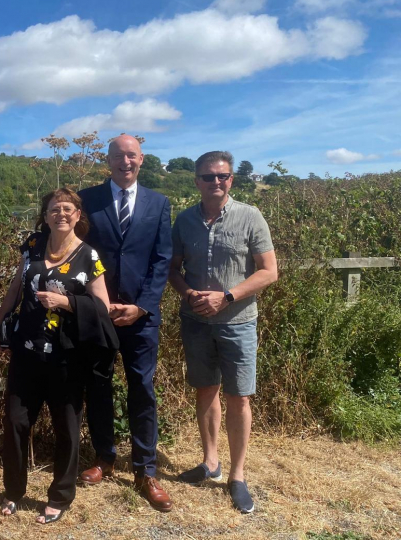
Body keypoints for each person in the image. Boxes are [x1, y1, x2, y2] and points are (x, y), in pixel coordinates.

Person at [0, 188, 118, 525]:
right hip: (26, 350)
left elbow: (103, 307)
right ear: (45, 215)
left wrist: (68, 303)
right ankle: (13, 491)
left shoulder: (89, 256)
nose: (60, 214)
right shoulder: (33, 246)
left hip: (68, 356)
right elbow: (17, 287)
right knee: (16, 422)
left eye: (67, 209)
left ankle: (60, 496)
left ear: (78, 215)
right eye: (53, 209)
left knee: (67, 427)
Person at [168, 151, 277, 514]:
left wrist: (227, 296)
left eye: (224, 176)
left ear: (232, 179)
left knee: (239, 397)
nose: (217, 182)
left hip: (239, 323)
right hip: (196, 321)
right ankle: (210, 462)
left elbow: (268, 271)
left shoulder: (250, 216)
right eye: (209, 177)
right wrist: (188, 294)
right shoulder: (183, 221)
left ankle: (237, 475)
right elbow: (173, 269)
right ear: (196, 180)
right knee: (205, 391)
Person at [77, 134, 174, 512]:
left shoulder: (159, 203)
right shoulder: (87, 199)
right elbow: (78, 253)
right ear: (109, 160)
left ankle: (145, 470)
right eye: (118, 156)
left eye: (131, 155)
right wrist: (96, 304)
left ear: (142, 159)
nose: (125, 162)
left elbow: (162, 259)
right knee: (99, 386)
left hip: (141, 317)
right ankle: (104, 457)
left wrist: (142, 307)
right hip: (97, 313)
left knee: (142, 390)